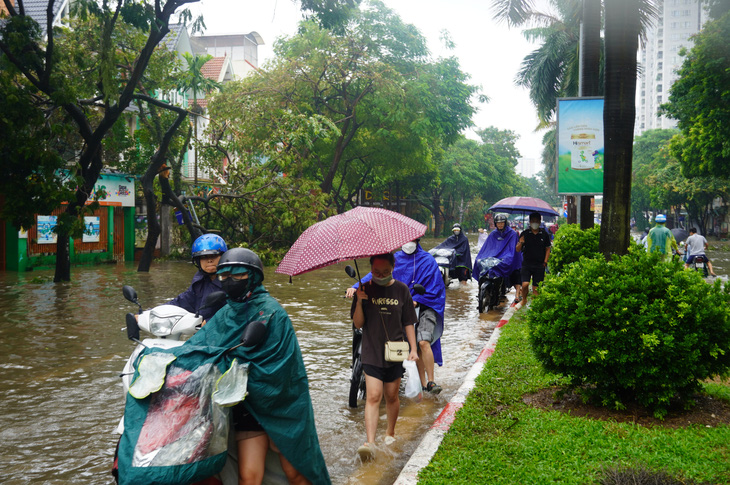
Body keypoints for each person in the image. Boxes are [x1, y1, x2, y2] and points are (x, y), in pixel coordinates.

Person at [197, 248, 330, 484]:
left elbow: (282, 367)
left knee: (296, 472)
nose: (229, 281)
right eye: (224, 276)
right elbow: (200, 347)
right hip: (245, 404)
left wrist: (234, 364)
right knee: (249, 478)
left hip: (281, 406)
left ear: (253, 277)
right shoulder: (225, 314)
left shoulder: (272, 312)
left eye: (237, 276)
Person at [347, 240, 446, 394]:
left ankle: (430, 382)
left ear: (417, 241)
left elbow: (435, 289)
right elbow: (373, 275)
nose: (409, 244)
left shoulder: (428, 260)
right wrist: (354, 287)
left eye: (412, 241)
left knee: (423, 341)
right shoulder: (395, 259)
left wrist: (417, 300)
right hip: (399, 306)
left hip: (425, 307)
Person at [351, 253, 419, 461]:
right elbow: (358, 324)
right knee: (373, 396)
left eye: (385, 272)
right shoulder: (364, 289)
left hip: (395, 351)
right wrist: (360, 301)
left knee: (391, 395)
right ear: (370, 269)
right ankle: (370, 443)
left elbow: (408, 321)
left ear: (393, 268)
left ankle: (390, 433)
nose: (380, 275)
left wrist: (413, 349)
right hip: (371, 351)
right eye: (376, 272)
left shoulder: (402, 289)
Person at [167, 233, 228, 322]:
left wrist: (213, 321)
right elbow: (181, 302)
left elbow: (237, 309)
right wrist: (149, 314)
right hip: (202, 332)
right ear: (198, 261)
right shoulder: (199, 282)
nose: (209, 260)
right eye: (204, 257)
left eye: (214, 256)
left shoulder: (232, 281)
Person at [473, 213, 522, 303]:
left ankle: (517, 294)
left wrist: (506, 257)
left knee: (515, 271)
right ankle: (481, 290)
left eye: (502, 222)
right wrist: (481, 258)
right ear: (495, 224)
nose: (500, 224)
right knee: (479, 262)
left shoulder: (512, 234)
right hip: (494, 257)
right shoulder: (493, 234)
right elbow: (487, 248)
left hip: (507, 257)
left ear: (505, 223)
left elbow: (512, 250)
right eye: (498, 223)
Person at [516, 212, 552, 307]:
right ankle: (524, 299)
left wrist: (545, 261)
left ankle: (534, 308)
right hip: (526, 264)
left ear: (540, 222)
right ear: (530, 222)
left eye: (536, 221)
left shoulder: (544, 234)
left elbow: (548, 248)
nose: (534, 223)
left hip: (539, 264)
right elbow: (517, 249)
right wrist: (521, 242)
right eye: (533, 221)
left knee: (536, 289)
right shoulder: (525, 233)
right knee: (525, 284)